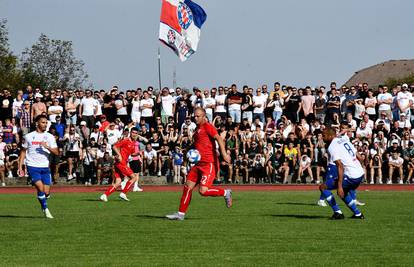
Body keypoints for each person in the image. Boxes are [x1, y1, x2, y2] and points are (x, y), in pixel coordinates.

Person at [166, 107, 233, 221]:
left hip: (209, 164)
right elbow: (195, 145)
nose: (195, 118)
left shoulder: (208, 126)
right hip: (198, 165)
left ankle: (225, 192)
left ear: (204, 116)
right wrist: (186, 154)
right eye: (195, 116)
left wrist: (224, 154)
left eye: (198, 116)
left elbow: (219, 138)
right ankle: (180, 214)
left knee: (203, 191)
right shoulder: (197, 130)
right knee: (187, 187)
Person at [319, 127, 365, 219]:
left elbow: (340, 166)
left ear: (331, 135)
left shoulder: (332, 146)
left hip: (351, 176)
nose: (322, 138)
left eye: (324, 136)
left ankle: (338, 213)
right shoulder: (344, 140)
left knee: (323, 187)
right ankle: (358, 214)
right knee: (344, 193)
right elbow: (360, 157)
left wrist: (339, 186)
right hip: (360, 173)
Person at [18, 115, 59, 219]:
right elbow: (23, 151)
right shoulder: (28, 136)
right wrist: (20, 166)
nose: (45, 124)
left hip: (45, 167)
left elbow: (57, 152)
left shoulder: (49, 136)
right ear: (37, 123)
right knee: (40, 188)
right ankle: (45, 209)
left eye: (46, 123)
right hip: (32, 166)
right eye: (43, 122)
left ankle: (43, 201)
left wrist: (47, 147)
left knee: (46, 192)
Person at [99, 127, 141, 202]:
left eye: (136, 133)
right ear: (130, 133)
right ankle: (123, 193)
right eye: (133, 132)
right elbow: (114, 146)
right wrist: (119, 155)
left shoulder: (133, 143)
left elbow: (132, 154)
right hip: (121, 163)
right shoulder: (126, 140)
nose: (134, 134)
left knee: (118, 182)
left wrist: (137, 153)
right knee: (134, 177)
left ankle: (104, 195)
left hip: (120, 163)